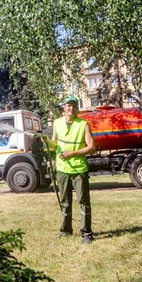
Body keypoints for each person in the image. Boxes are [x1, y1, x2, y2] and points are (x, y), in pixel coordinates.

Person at [44, 96, 96, 243]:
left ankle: (86, 233)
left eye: (73, 105)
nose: (70, 108)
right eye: (68, 105)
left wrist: (72, 153)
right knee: (65, 201)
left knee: (83, 201)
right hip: (62, 169)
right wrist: (46, 141)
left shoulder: (83, 124)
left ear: (77, 108)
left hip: (79, 169)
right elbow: (54, 145)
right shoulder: (57, 123)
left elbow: (92, 147)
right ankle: (66, 230)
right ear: (64, 108)